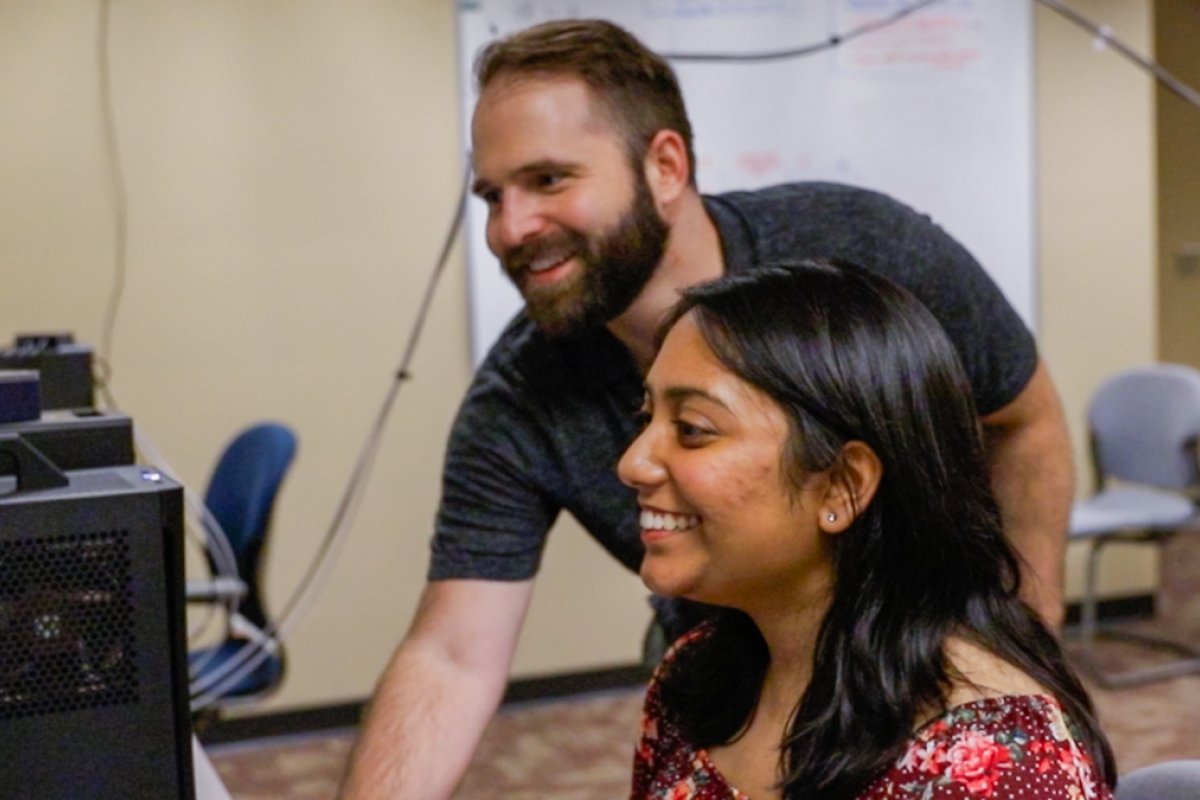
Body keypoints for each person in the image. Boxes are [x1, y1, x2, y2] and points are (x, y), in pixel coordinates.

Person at [339, 19, 1075, 799]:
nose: (508, 229)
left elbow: (1024, 421)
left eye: (549, 180)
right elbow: (452, 654)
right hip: (736, 682)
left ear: (664, 165)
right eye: (492, 195)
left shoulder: (866, 252)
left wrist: (1025, 648)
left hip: (920, 674)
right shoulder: (524, 398)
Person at [622, 259, 1114, 800]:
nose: (633, 463)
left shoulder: (995, 765)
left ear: (842, 487)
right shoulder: (695, 674)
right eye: (646, 420)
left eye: (692, 429)